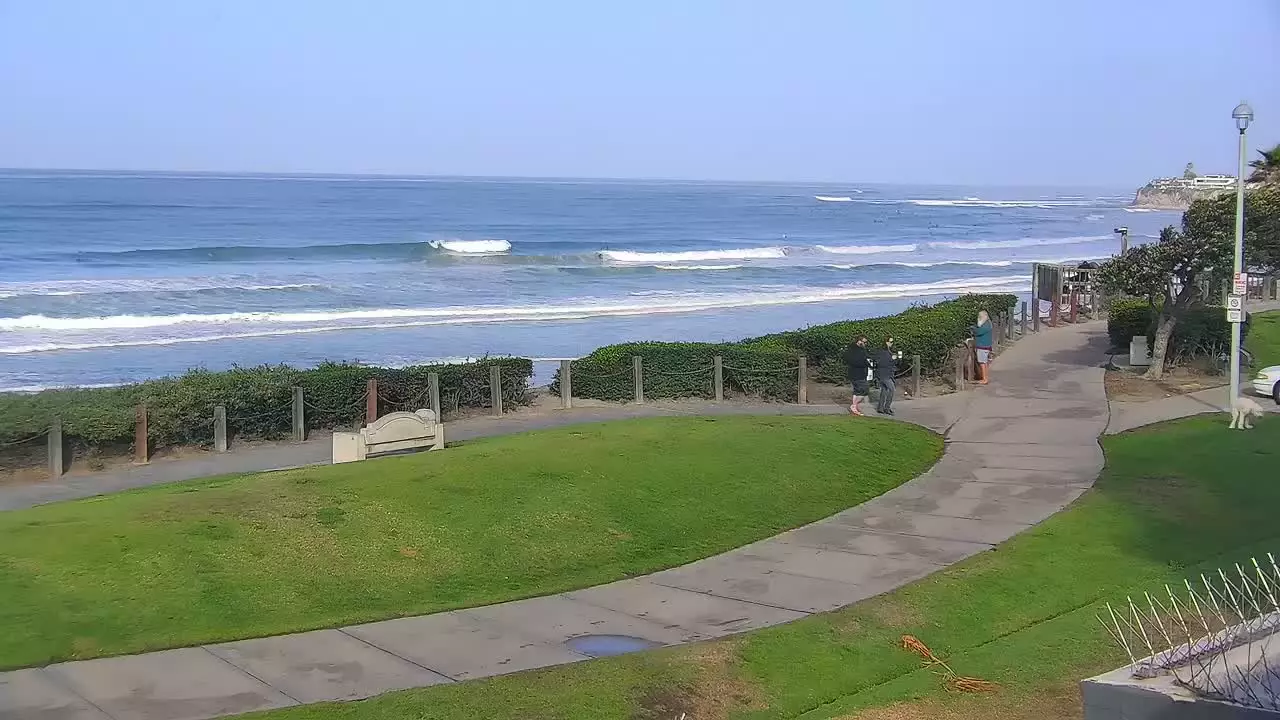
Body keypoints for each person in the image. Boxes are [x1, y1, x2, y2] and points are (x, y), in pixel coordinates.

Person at [843, 335, 870, 416]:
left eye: (866, 342)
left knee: (857, 391)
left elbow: (864, 359)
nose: (865, 344)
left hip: (860, 373)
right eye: (864, 342)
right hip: (856, 373)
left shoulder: (860, 350)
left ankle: (855, 407)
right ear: (859, 341)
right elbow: (855, 361)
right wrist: (865, 364)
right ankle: (854, 406)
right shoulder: (853, 350)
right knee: (864, 390)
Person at [873, 336, 897, 415]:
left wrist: (895, 359)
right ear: (886, 342)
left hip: (887, 374)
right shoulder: (882, 352)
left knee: (884, 390)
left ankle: (880, 408)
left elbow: (893, 363)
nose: (891, 343)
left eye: (892, 342)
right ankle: (887, 408)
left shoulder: (889, 351)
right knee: (891, 389)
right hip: (883, 374)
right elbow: (880, 362)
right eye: (890, 341)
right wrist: (892, 359)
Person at [971, 310, 993, 385]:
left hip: (982, 346)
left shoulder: (985, 325)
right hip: (986, 346)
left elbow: (978, 332)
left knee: (982, 363)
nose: (978, 318)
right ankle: (985, 377)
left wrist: (973, 329)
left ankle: (984, 379)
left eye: (979, 316)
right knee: (985, 363)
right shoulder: (988, 323)